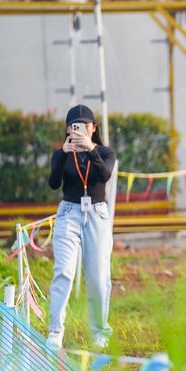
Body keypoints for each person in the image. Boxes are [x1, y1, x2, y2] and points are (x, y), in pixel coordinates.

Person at [47, 104, 116, 350]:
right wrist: (63, 154)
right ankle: (55, 331)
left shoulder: (105, 152)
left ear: (93, 127)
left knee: (98, 276)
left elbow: (104, 175)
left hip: (97, 214)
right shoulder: (62, 154)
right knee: (63, 272)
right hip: (68, 213)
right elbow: (53, 183)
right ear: (68, 129)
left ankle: (99, 331)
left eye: (85, 125)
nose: (79, 129)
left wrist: (90, 149)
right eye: (74, 126)